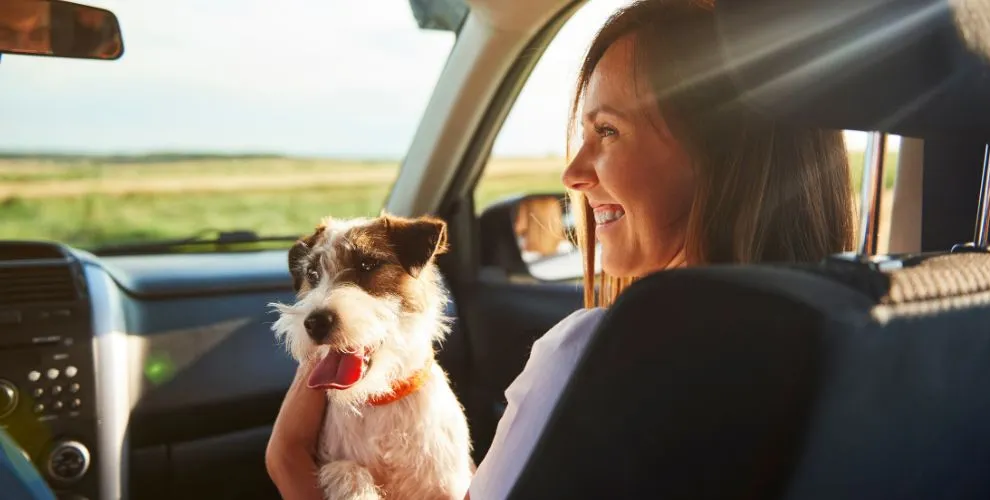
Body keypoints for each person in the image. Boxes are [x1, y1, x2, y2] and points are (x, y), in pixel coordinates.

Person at [265, 0, 856, 499]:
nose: (572, 173)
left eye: (607, 131)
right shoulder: (876, 341)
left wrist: (290, 455)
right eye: (582, 134)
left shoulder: (591, 352)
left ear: (721, 155)